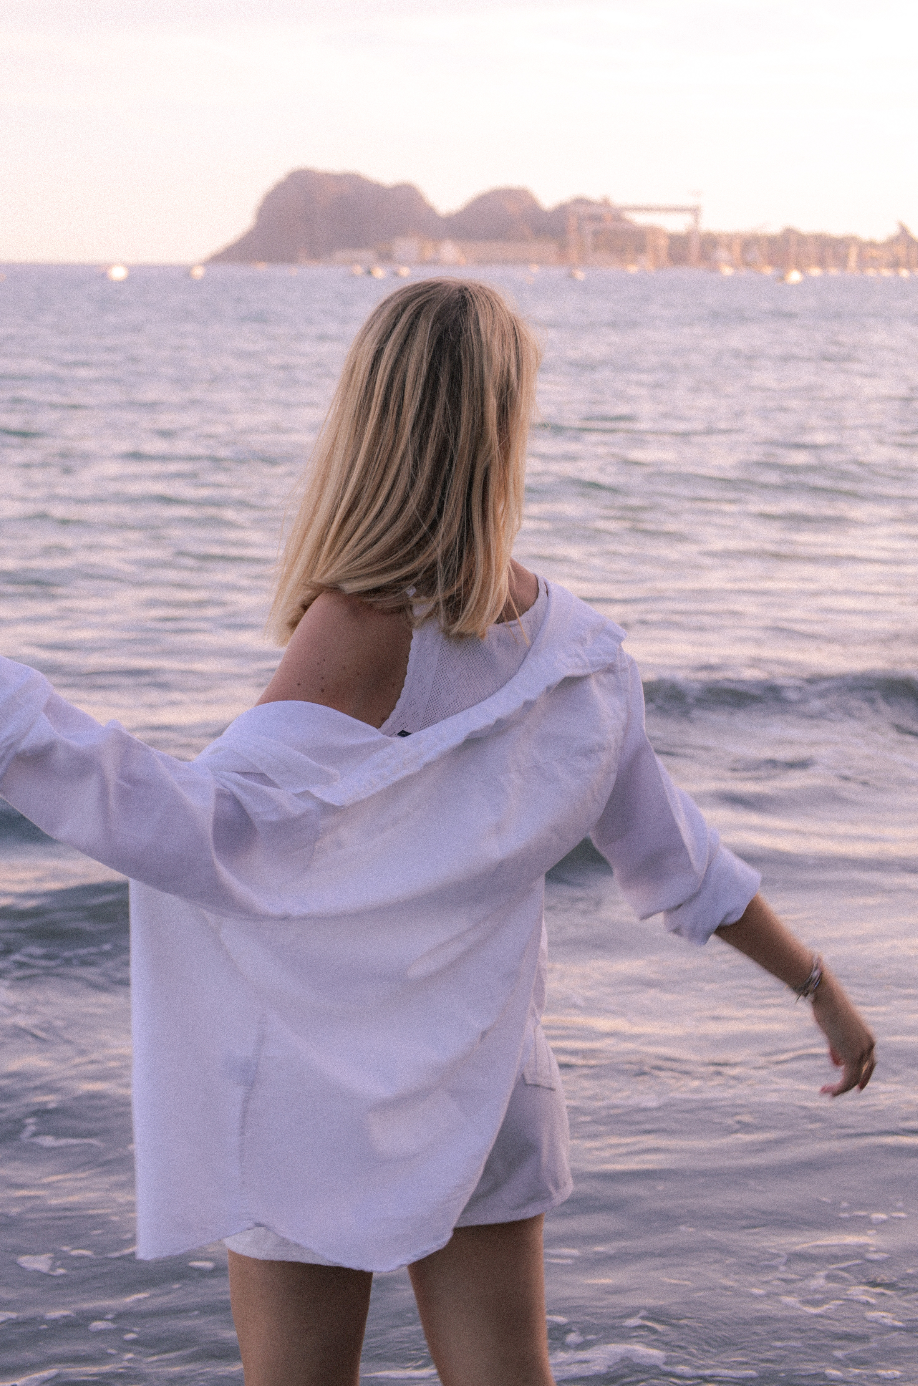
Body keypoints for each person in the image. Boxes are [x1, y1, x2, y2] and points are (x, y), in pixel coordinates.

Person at [0, 279, 874, 1386]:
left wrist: (19, 722)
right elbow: (678, 860)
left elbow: (213, 837)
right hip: (490, 1081)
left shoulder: (359, 626)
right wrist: (818, 990)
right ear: (507, 425)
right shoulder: (586, 657)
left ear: (368, 422)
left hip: (323, 1091)